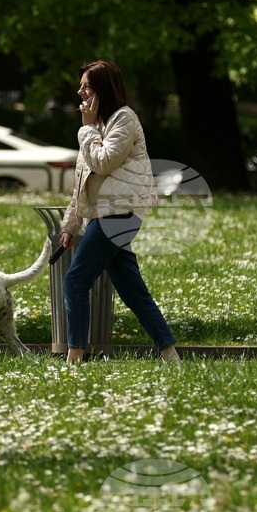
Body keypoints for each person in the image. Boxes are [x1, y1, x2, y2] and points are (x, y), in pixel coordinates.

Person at [59, 60, 181, 363]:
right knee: (132, 289)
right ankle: (171, 355)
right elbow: (82, 182)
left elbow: (103, 163)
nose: (80, 92)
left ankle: (75, 359)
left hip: (120, 213)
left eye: (86, 86)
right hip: (106, 214)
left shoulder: (123, 119)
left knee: (75, 282)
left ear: (102, 89)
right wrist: (70, 225)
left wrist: (86, 131)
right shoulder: (98, 126)